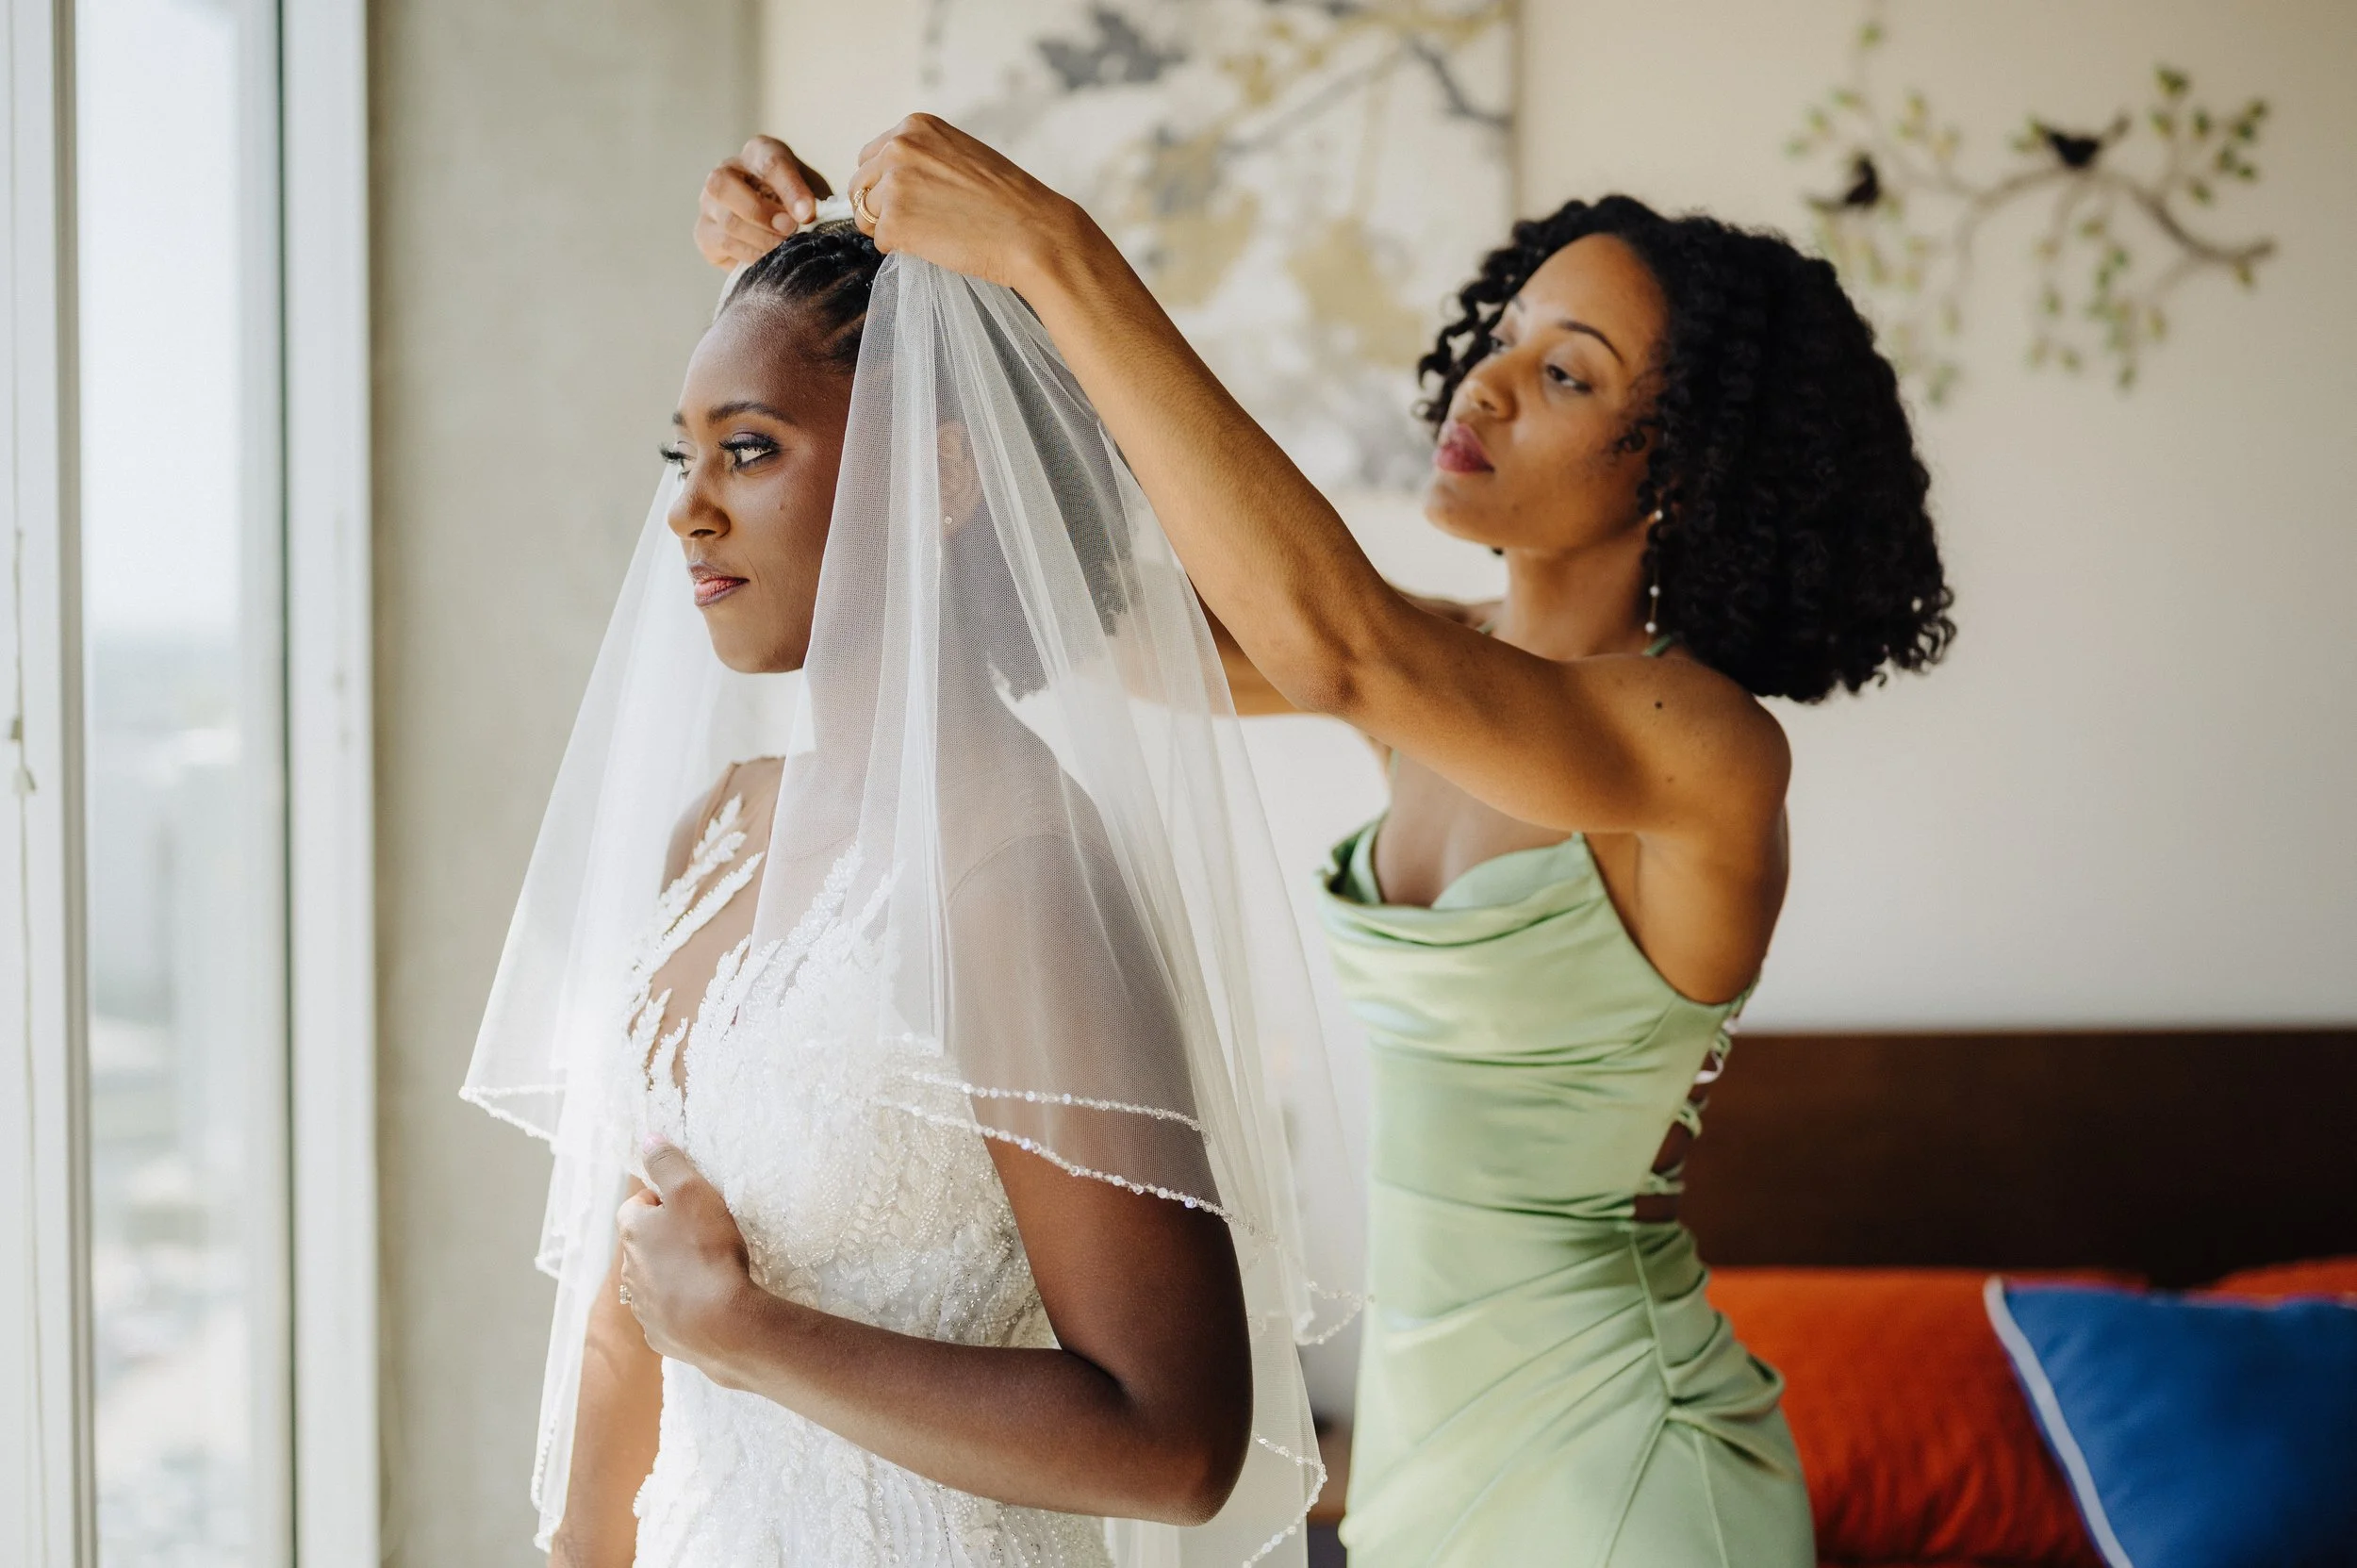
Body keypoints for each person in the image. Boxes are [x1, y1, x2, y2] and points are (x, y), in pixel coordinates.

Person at [693, 119, 1953, 1566]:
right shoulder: (1442, 679)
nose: (1485, 378)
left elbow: (1334, 640)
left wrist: (1054, 250)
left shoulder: (1703, 746)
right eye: (1508, 329)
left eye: (1567, 373)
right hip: (1422, 1457)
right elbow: (1088, 609)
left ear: (1683, 465)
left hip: (1623, 1463)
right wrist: (875, 327)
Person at [466, 210, 1357, 1567]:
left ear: (942, 473)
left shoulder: (1020, 871)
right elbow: (630, 1302)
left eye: (750, 448)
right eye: (683, 453)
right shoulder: (721, 833)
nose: (689, 507)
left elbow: (1174, 1443)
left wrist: (749, 1332)